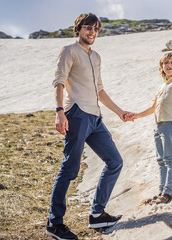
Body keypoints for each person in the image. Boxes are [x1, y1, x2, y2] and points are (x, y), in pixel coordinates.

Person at [46, 13, 131, 240]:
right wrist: (59, 112)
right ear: (78, 29)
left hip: (95, 118)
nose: (92, 32)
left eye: (96, 29)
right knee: (70, 169)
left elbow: (100, 90)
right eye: (88, 28)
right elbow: (59, 82)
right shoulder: (69, 51)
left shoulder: (96, 57)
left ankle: (96, 215)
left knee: (115, 162)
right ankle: (54, 223)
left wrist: (119, 111)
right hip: (77, 114)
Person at [129, 52, 172, 205]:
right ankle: (161, 191)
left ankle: (169, 192)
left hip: (170, 124)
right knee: (161, 160)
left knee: (170, 158)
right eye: (166, 63)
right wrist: (137, 115)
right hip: (158, 125)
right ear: (161, 67)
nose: (169, 65)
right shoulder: (162, 85)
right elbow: (153, 107)